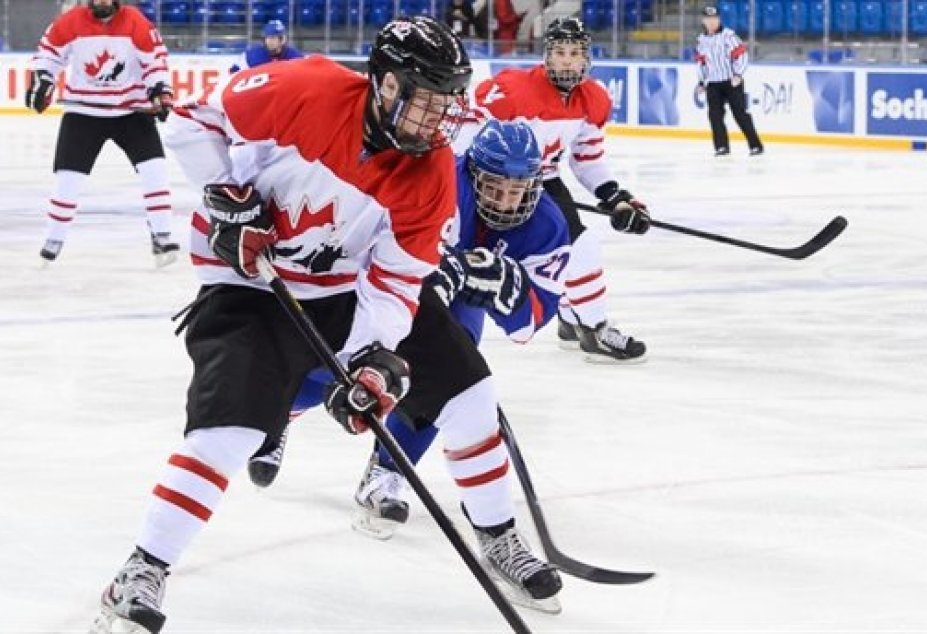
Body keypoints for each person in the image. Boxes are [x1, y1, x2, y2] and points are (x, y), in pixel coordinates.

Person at [89, 17, 479, 633]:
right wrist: (225, 196)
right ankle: (143, 568)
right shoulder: (307, 88)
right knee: (227, 432)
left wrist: (372, 359)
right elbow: (195, 120)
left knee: (430, 375)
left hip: (333, 290)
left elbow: (398, 280)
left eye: (445, 104)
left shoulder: (430, 174)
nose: (436, 119)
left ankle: (290, 412)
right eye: (424, 100)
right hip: (246, 280)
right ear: (384, 84)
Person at [247, 119, 568, 613]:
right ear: (472, 172)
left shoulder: (546, 222)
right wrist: (436, 273)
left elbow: (531, 323)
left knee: (456, 387)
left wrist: (510, 287)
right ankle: (279, 414)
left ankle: (388, 470)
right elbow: (376, 241)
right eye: (494, 186)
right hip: (387, 288)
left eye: (517, 189)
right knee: (341, 367)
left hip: (454, 307)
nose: (505, 200)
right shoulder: (440, 178)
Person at [457, 17, 650, 363]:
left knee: (575, 247)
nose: (566, 60)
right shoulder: (514, 90)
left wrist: (616, 197)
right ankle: (589, 326)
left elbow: (587, 159)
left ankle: (575, 318)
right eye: (559, 52)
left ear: (586, 58)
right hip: (492, 181)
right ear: (547, 56)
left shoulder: (593, 99)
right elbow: (465, 137)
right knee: (579, 245)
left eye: (574, 53)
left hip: (542, 179)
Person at [26, 0, 179, 266]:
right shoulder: (71, 21)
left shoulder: (136, 21)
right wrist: (43, 80)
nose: (102, 2)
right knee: (67, 180)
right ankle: (53, 239)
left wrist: (160, 91)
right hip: (84, 114)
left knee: (156, 170)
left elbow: (155, 61)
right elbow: (48, 55)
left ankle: (162, 235)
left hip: (131, 111)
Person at [694, 6, 764, 156]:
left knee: (740, 114)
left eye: (714, 19)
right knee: (715, 116)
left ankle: (755, 145)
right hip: (713, 83)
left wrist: (738, 74)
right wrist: (701, 82)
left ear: (719, 19)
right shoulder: (701, 40)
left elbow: (742, 56)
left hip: (731, 82)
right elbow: (701, 63)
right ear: (703, 21)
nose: (712, 22)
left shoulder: (729, 36)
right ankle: (721, 147)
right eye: (708, 19)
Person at [228, 19, 303, 74]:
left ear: (283, 39)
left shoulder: (296, 57)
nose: (269, 41)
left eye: (273, 38)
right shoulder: (251, 55)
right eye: (267, 37)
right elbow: (233, 74)